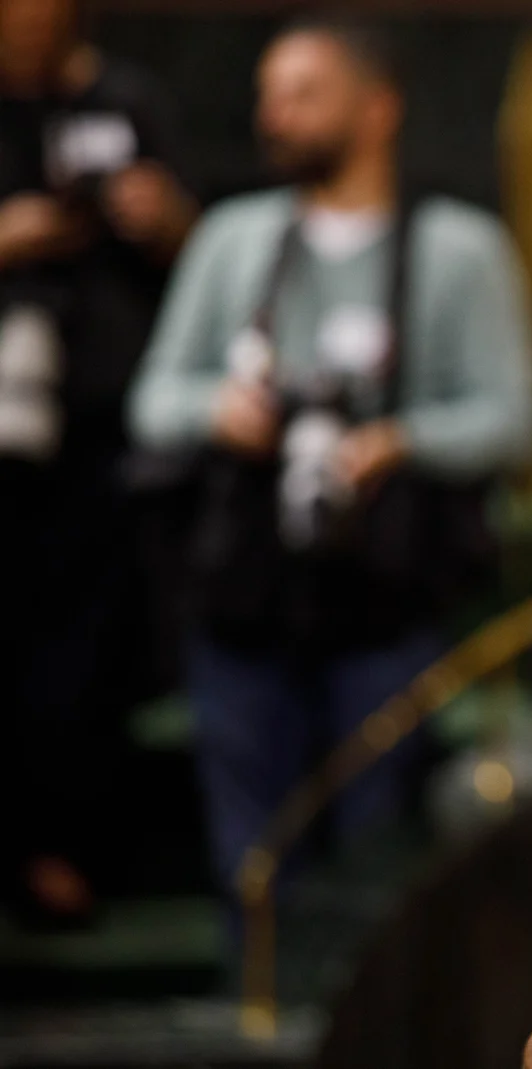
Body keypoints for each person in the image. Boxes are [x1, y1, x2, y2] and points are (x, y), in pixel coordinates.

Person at [127, 19, 532, 904]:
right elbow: (151, 401)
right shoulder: (231, 239)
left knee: (378, 855)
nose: (275, 115)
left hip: (390, 602)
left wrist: (400, 440)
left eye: (304, 93)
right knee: (253, 859)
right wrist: (220, 411)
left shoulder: (458, 249)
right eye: (267, 95)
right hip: (242, 595)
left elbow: (515, 420)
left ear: (378, 107)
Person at [0, 0, 197, 926]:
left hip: (102, 422)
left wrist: (158, 217)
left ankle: (67, 850)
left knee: (88, 646)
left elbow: (192, 241)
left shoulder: (128, 98)